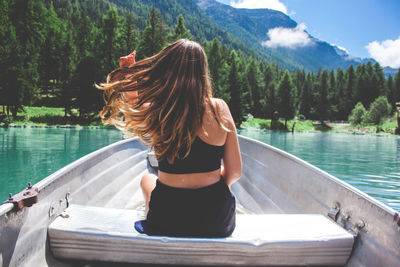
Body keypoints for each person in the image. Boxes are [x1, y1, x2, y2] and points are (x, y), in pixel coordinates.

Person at [97, 39, 242, 237]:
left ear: (166, 70)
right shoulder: (219, 109)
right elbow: (235, 172)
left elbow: (132, 104)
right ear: (202, 72)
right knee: (159, 182)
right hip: (215, 221)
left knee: (147, 179)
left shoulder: (159, 110)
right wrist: (210, 188)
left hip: (166, 220)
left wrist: (128, 73)